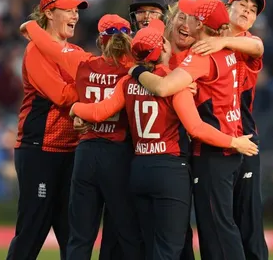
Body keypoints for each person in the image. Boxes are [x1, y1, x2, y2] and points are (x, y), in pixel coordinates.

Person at [70, 19, 257, 259]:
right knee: (169, 249)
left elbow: (97, 112)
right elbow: (197, 128)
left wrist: (75, 108)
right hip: (169, 170)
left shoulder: (128, 82)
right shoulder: (175, 84)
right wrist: (234, 142)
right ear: (164, 49)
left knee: (148, 245)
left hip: (139, 169)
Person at [129, 0, 258, 260]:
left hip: (214, 152)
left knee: (218, 233)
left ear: (200, 24)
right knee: (223, 230)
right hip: (227, 149)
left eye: (190, 16)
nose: (185, 19)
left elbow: (165, 88)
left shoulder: (198, 57)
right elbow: (256, 46)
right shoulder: (228, 51)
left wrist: (136, 71)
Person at [21, 13, 144, 260]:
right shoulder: (133, 71)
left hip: (85, 154)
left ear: (101, 39)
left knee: (79, 238)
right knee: (128, 233)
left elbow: (53, 50)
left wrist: (31, 27)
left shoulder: (84, 63)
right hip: (117, 153)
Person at [8, 0, 88, 260]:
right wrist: (93, 89)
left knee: (71, 234)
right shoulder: (35, 51)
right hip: (40, 150)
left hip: (71, 151)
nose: (75, 15)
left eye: (76, 10)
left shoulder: (75, 51)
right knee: (32, 230)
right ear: (48, 14)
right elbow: (62, 95)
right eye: (68, 9)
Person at [191, 0, 269, 260]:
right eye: (242, 5)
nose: (248, 11)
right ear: (227, 9)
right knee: (219, 222)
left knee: (248, 220)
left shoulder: (246, 44)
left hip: (245, 138)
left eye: (253, 9)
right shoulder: (203, 44)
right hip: (213, 141)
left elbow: (258, 47)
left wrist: (222, 41)